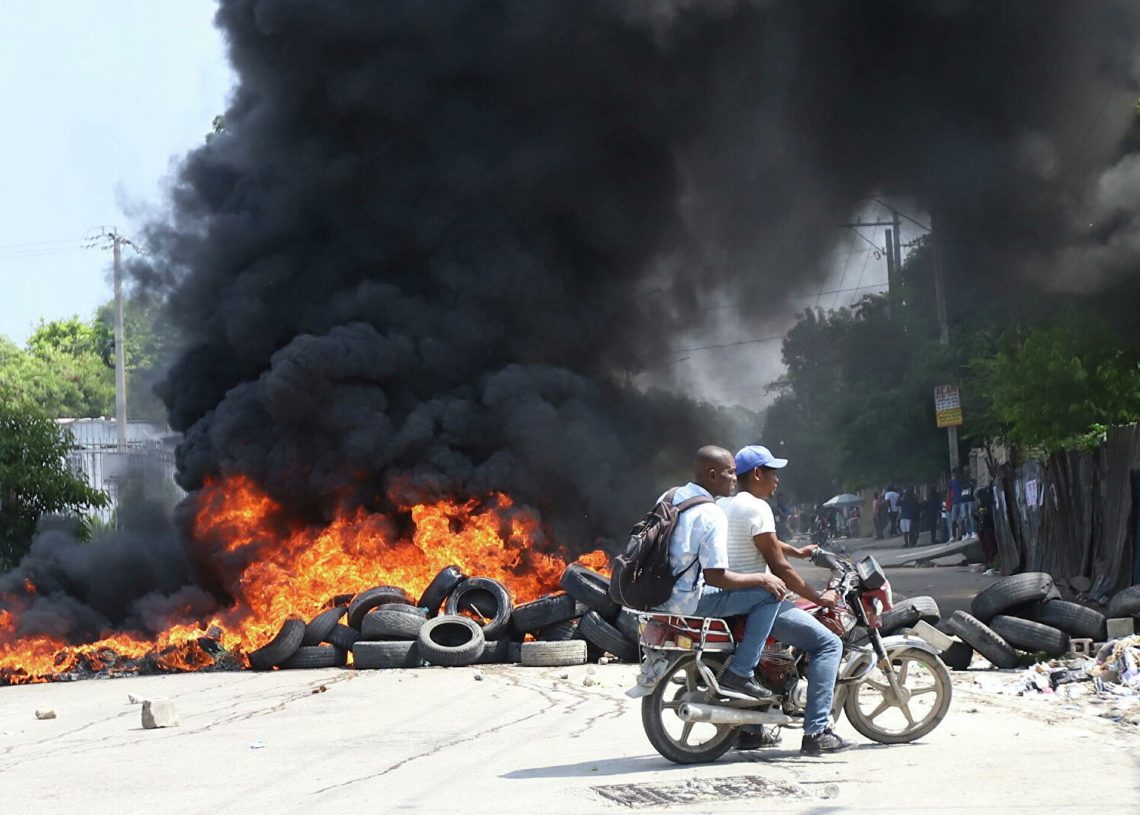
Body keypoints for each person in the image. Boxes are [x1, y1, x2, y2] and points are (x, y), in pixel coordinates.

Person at [717, 444, 852, 755]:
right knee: (829, 644)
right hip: (756, 599)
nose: (777, 481)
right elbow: (779, 568)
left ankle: (751, 731)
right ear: (756, 474)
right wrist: (820, 596)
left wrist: (798, 550)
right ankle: (817, 732)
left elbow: (763, 542)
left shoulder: (724, 504)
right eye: (773, 473)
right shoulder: (758, 508)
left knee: (772, 649)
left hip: (729, 598)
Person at [653, 445, 787, 701]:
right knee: (771, 592)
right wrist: (762, 578)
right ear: (713, 475)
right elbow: (717, 577)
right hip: (688, 601)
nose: (736, 479)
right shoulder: (711, 512)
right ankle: (740, 672)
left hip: (660, 595)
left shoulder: (671, 496)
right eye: (730, 473)